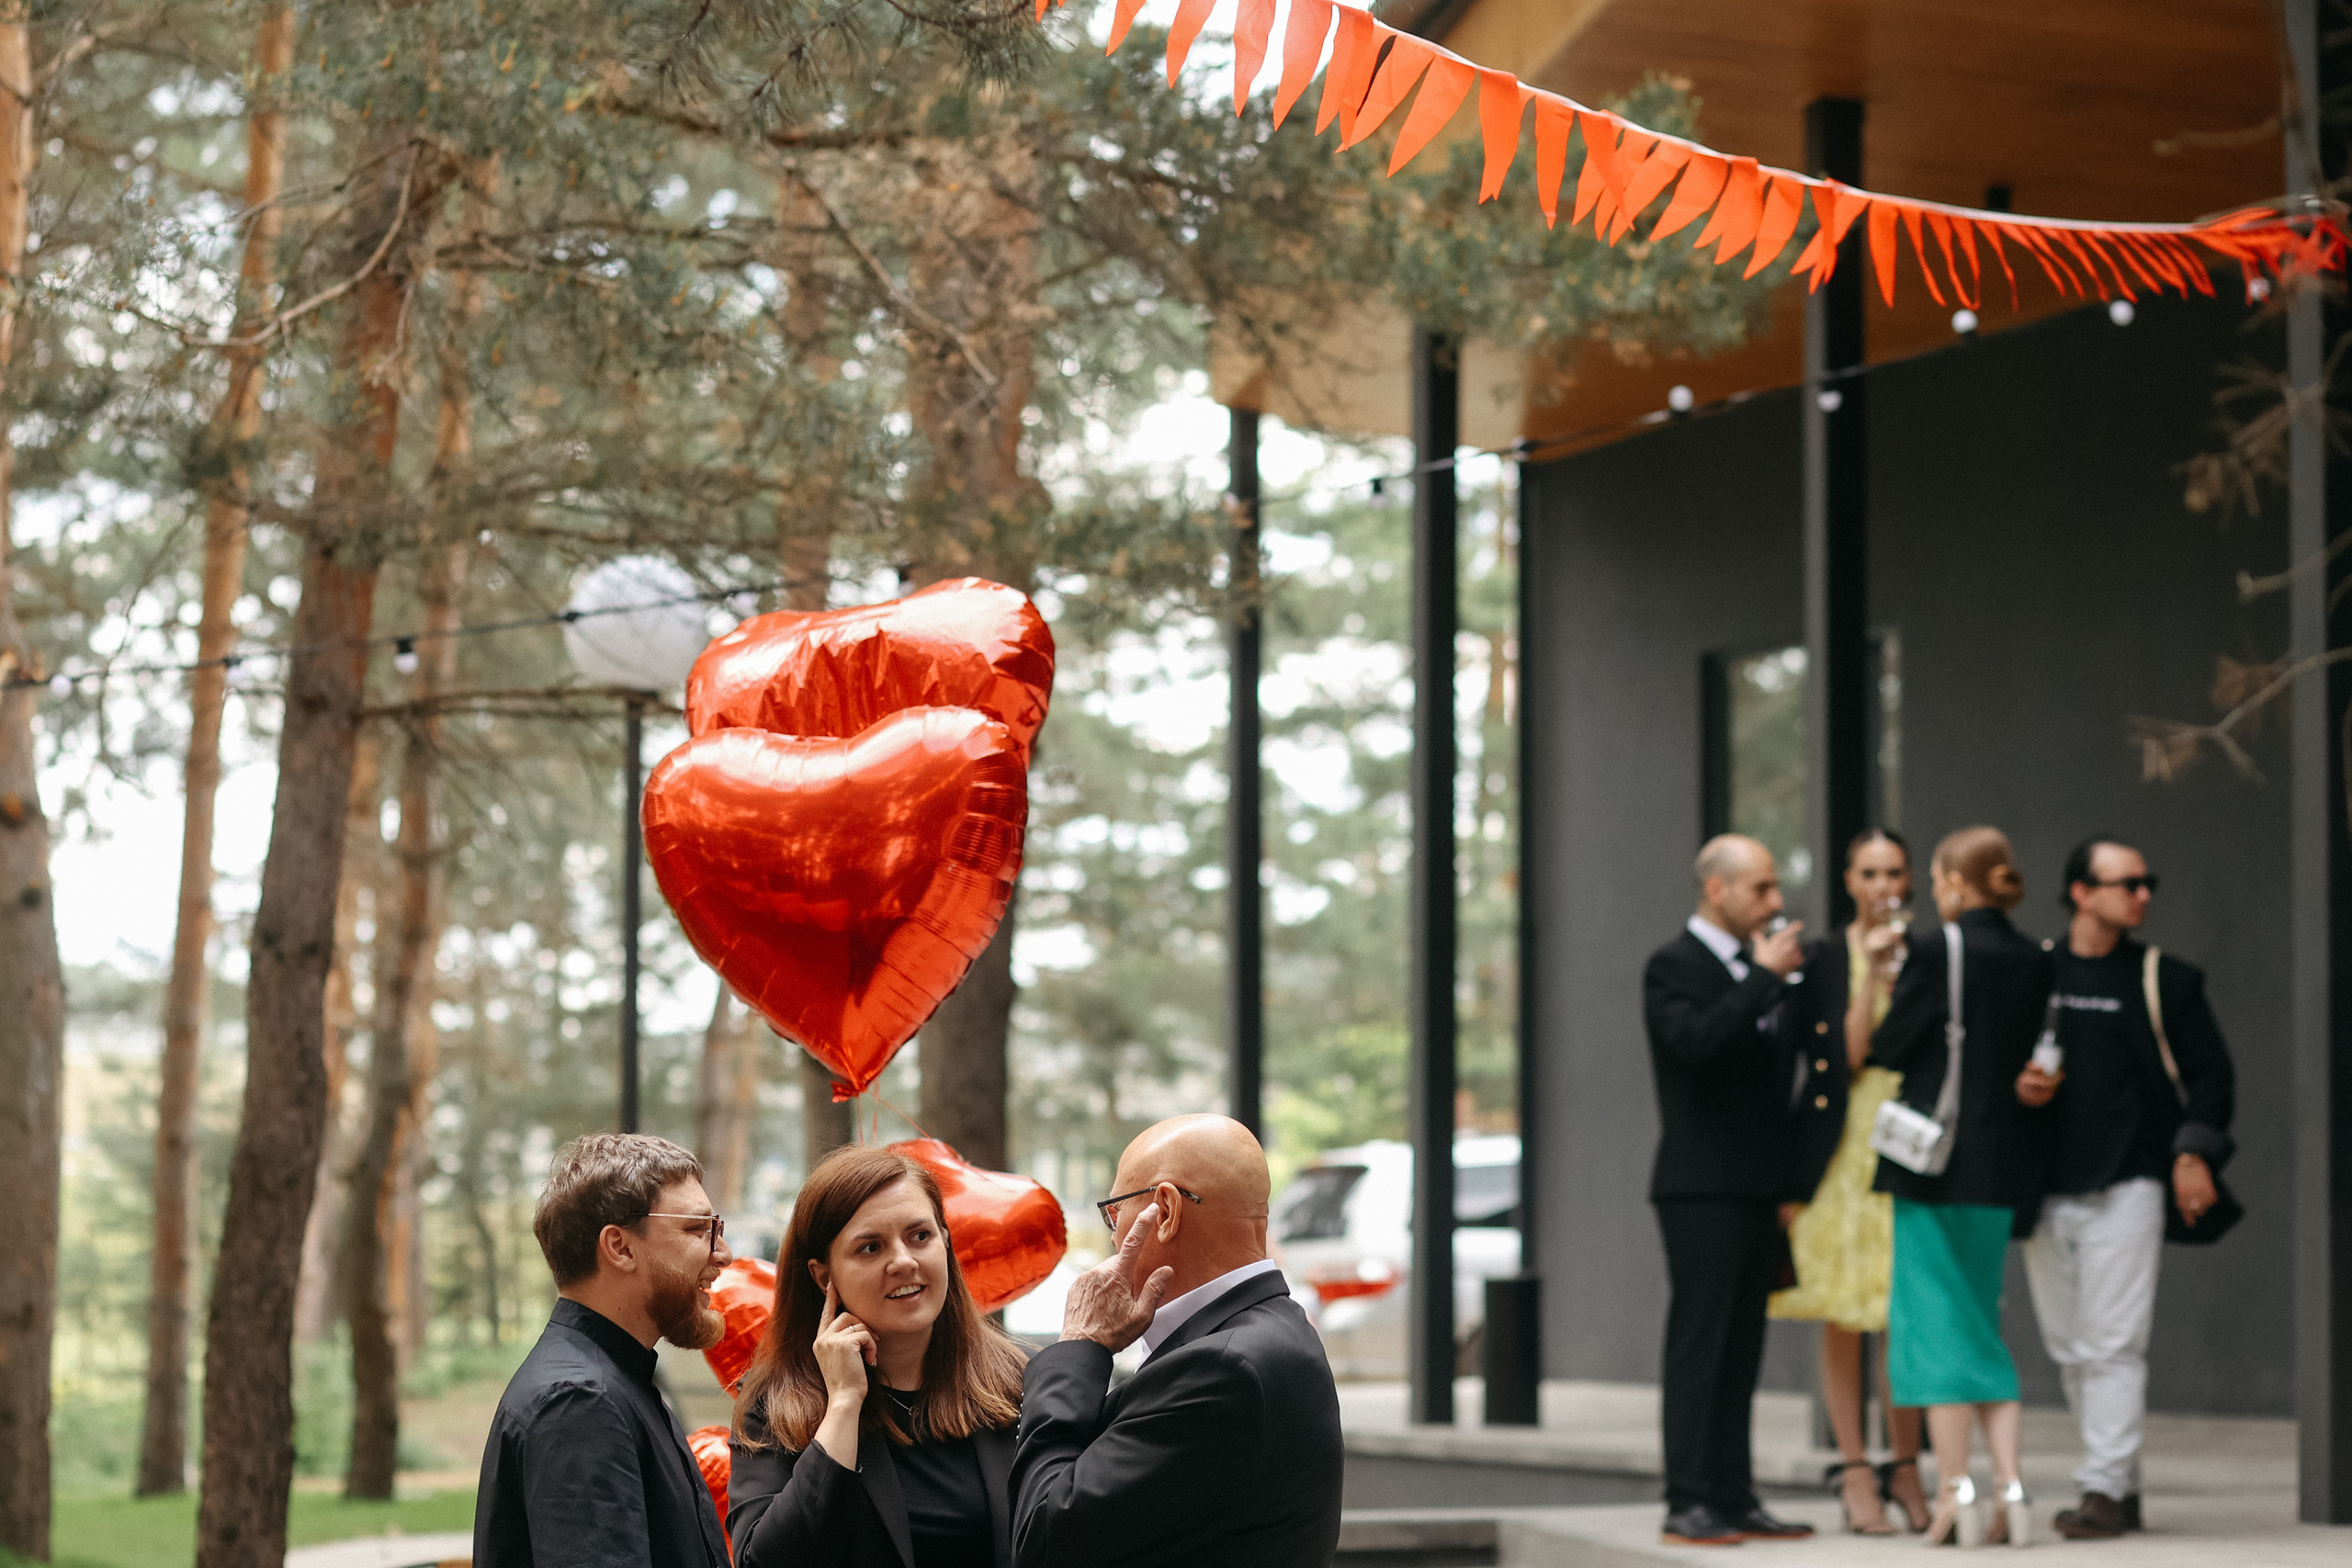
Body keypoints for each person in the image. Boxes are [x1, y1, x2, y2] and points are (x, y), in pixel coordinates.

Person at [1009, 1113, 1342, 1568]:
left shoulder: (1222, 1368)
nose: (1113, 1234)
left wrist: (1078, 1346)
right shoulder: (1276, 1328)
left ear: (1164, 1211)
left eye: (1115, 1210)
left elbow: (1045, 1539)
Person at [2023, 838, 2235, 1540]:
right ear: (2080, 891)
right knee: (2069, 1347)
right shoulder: (2036, 972)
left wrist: (2192, 1153)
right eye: (2127, 883)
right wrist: (2019, 1085)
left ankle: (2103, 1488)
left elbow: (2212, 1078)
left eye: (2148, 883)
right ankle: (2120, 1481)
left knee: (2112, 1343)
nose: (2142, 895)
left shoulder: (2164, 978)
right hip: (2047, 1188)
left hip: (2132, 1182)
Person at [1869, 827, 2056, 1548]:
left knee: (1930, 1330)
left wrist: (1889, 986)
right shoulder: (2034, 955)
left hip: (1933, 1164)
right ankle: (2012, 1485)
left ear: (1951, 879)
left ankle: (1958, 1490)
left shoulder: (1935, 946)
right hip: (2001, 1167)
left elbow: (1890, 1047)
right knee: (1981, 1322)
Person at [729, 1144, 1030, 1568]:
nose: (904, 1261)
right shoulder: (773, 1404)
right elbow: (764, 1562)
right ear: (823, 1276)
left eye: (920, 1236)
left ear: (945, 1242)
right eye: (871, 1248)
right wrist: (843, 1404)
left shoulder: (1022, 1383)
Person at [1641, 834, 1815, 1547]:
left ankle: (1734, 1494)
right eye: (1761, 888)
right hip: (1699, 1184)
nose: (1774, 902)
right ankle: (1687, 1499)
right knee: (1701, 1342)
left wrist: (1788, 1183)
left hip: (1757, 1187)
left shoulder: (1761, 968)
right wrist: (1762, 980)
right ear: (1718, 888)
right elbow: (1697, 1045)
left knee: (1743, 1347)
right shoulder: (1672, 965)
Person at [474, 1134, 735, 1568]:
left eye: (717, 1229)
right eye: (697, 1229)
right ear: (620, 1247)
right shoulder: (580, 1401)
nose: (723, 1254)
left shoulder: (614, 1380)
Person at [1770, 829, 1928, 1534]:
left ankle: (1909, 1464)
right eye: (1869, 871)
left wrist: (1901, 974)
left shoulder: (1929, 951)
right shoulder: (1826, 958)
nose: (1882, 883)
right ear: (1848, 879)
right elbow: (1849, 1054)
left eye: (1893, 870)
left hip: (1912, 1142)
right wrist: (1870, 977)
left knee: (1906, 1314)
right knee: (1843, 1313)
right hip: (1842, 1148)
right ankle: (1856, 1470)